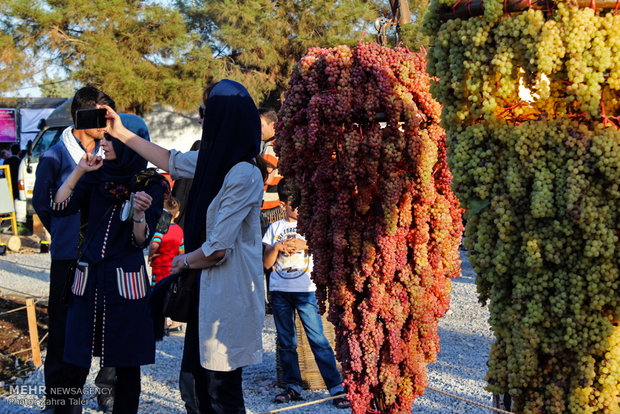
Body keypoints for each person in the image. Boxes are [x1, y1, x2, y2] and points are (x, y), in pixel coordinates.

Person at [103, 79, 269, 414]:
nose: (199, 120)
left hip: (226, 296)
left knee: (220, 392)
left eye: (204, 113)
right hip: (204, 295)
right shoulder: (215, 160)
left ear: (224, 117)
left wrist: (181, 262)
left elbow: (217, 249)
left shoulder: (243, 174)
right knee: (193, 387)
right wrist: (120, 133)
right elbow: (170, 159)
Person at [50, 113, 165, 413]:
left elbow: (141, 240)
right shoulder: (95, 174)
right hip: (88, 283)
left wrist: (139, 215)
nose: (105, 143)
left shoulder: (152, 183)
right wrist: (78, 171)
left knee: (126, 365)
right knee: (73, 360)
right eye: (105, 138)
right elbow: (59, 206)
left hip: (125, 285)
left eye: (112, 138)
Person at [32, 86, 112, 413]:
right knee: (64, 329)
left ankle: (109, 392)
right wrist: (64, 234)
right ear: (81, 115)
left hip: (104, 256)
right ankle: (61, 400)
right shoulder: (55, 155)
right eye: (98, 114)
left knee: (105, 328)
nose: (104, 120)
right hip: (68, 258)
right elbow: (42, 203)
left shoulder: (111, 152)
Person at [263, 179, 350, 409]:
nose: (299, 208)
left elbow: (327, 245)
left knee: (318, 339)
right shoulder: (274, 229)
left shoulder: (312, 226)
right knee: (286, 341)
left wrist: (305, 244)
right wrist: (277, 248)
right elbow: (266, 263)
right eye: (294, 204)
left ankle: (336, 387)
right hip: (280, 291)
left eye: (302, 202)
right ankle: (293, 386)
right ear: (283, 206)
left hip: (306, 291)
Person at [148, 196, 185, 335]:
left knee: (159, 295)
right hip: (173, 268)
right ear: (177, 214)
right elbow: (181, 249)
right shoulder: (179, 230)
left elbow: (154, 244)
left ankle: (162, 325)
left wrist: (152, 254)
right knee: (173, 294)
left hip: (160, 267)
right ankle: (176, 323)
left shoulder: (161, 229)